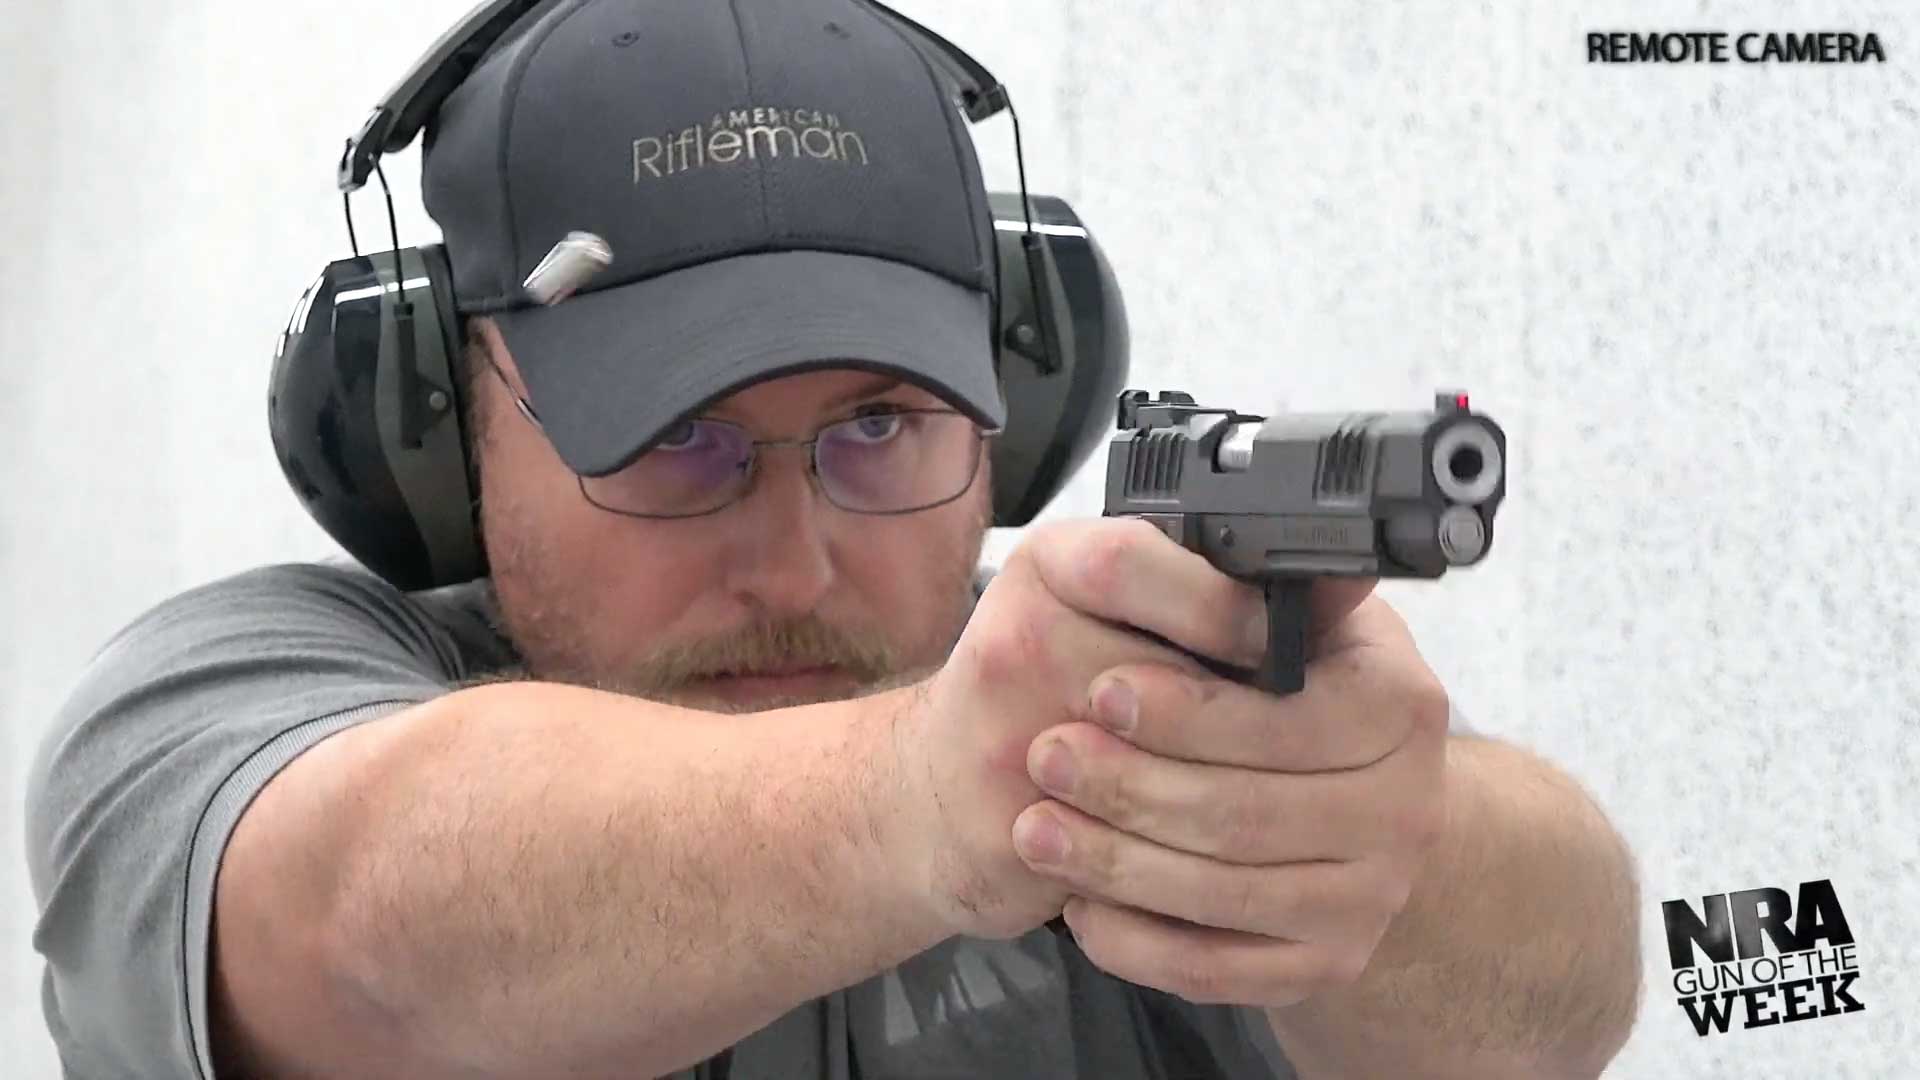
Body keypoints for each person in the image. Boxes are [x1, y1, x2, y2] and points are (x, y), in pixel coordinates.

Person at [24, 0, 1643, 1077]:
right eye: (679, 443)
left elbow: (1566, 993)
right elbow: (366, 926)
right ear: (434, 426)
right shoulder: (219, 702)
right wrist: (918, 800)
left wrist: (1375, 842)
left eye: (879, 430)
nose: (794, 564)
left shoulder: (1095, 711)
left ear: (1019, 407)